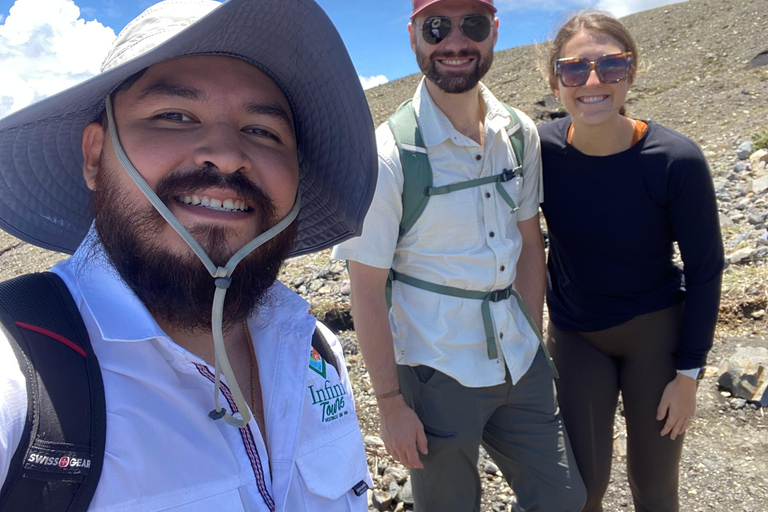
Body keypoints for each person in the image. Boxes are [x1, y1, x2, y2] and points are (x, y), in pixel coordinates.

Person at [0, 0, 378, 510]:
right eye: (173, 116)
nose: (225, 154)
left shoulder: (315, 349)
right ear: (95, 156)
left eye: (262, 131)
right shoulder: (18, 376)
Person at [332, 1, 586, 510]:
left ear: (493, 32)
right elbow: (365, 288)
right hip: (435, 369)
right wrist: (389, 405)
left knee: (564, 499)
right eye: (436, 26)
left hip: (520, 362)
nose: (454, 42)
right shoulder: (388, 155)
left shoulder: (519, 133)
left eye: (471, 24)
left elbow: (528, 244)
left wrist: (531, 337)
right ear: (413, 37)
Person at [538, 10, 724, 512]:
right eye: (575, 69)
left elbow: (706, 270)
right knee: (582, 490)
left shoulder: (675, 160)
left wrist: (689, 377)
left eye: (611, 66)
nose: (592, 82)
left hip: (656, 339)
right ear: (556, 82)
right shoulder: (540, 151)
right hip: (576, 338)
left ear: (631, 72)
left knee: (655, 486)